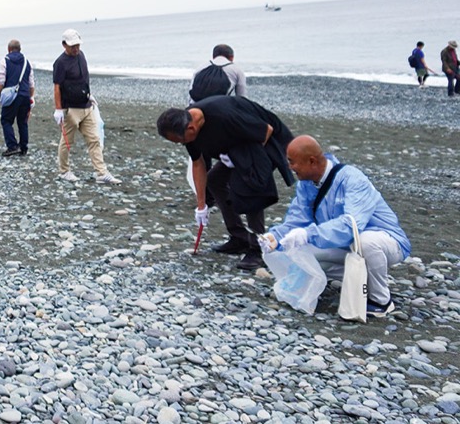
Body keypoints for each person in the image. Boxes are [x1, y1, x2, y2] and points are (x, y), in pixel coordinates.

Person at [261, 135, 410, 318]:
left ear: (312, 161)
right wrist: (275, 237)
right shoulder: (306, 184)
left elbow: (351, 226)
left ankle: (381, 300)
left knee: (366, 242)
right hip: (345, 245)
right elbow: (297, 220)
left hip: (387, 241)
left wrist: (308, 234)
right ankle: (355, 281)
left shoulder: (352, 178)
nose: (290, 167)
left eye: (292, 162)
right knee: (298, 249)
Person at [156, 95, 295, 271]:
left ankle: (257, 247)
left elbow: (265, 131)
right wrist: (201, 205)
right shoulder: (187, 128)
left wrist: (240, 158)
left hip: (267, 142)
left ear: (191, 128)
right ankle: (239, 237)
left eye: (180, 141)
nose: (181, 144)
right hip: (236, 149)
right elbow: (198, 163)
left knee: (249, 187)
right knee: (214, 180)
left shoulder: (225, 116)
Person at [186, 43, 252, 255]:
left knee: (202, 163)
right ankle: (245, 237)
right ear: (231, 57)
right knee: (230, 171)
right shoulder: (236, 70)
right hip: (224, 126)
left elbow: (190, 99)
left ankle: (206, 200)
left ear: (213, 56)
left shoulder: (199, 69)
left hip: (196, 126)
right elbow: (242, 102)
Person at [53, 29, 120, 185]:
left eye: (77, 45)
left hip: (86, 105)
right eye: (72, 46)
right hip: (71, 108)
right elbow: (57, 87)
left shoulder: (81, 56)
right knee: (67, 141)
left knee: (94, 139)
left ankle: (101, 173)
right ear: (64, 45)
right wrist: (58, 109)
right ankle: (64, 171)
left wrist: (89, 95)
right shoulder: (60, 63)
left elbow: (84, 78)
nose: (76, 49)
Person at [0, 40, 34, 156]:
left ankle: (12, 146)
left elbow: (0, 81)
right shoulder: (27, 62)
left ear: (9, 49)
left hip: (11, 96)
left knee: (6, 120)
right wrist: (31, 97)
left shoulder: (5, 61)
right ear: (20, 49)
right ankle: (23, 147)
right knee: (23, 122)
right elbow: (31, 83)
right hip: (25, 95)